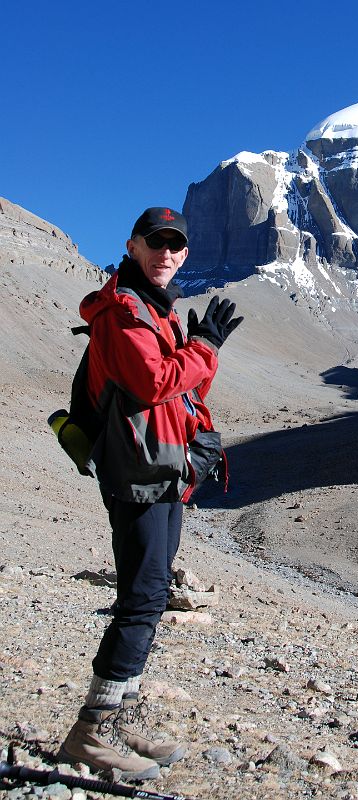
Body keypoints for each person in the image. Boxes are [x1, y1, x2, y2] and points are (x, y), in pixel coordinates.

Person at [58, 208, 242, 780]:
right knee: (139, 599)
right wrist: (205, 347)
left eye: (175, 246)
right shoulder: (123, 311)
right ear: (133, 246)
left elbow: (181, 389)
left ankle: (121, 716)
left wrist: (200, 351)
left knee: (153, 592)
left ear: (185, 254)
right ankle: (92, 731)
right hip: (135, 472)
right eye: (154, 244)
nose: (165, 253)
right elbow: (151, 382)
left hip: (162, 469)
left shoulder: (155, 310)